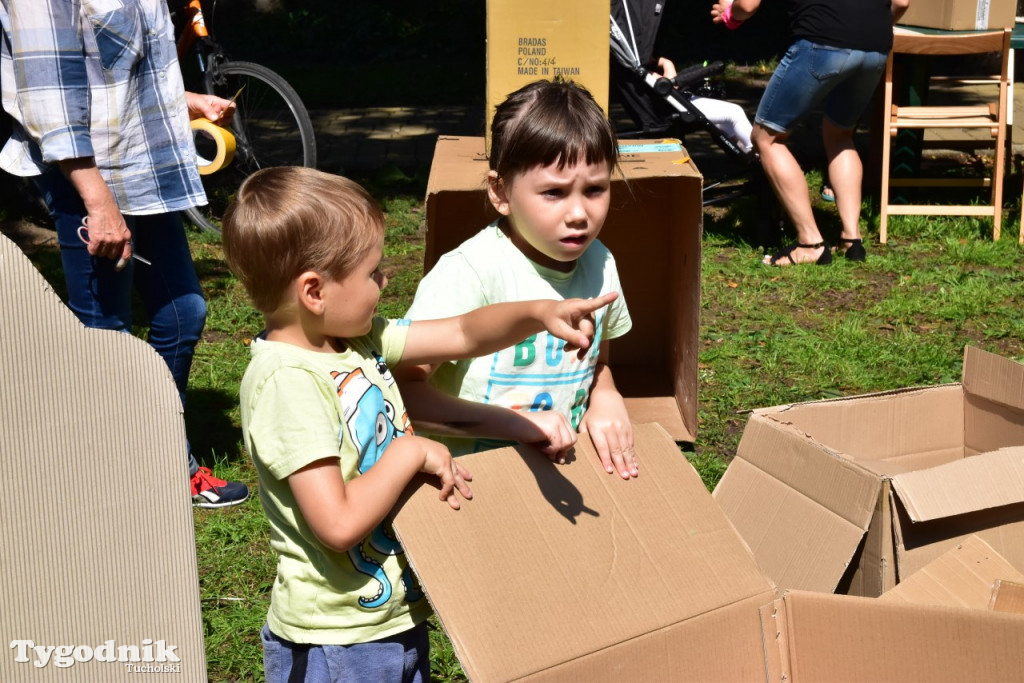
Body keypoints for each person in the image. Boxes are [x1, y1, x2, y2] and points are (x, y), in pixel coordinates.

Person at [220, 166, 617, 682]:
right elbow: (336, 525)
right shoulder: (287, 384)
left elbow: (460, 332)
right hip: (338, 643)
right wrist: (409, 452)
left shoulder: (354, 340)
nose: (386, 281)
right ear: (314, 291)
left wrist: (541, 311)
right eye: (372, 273)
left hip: (387, 619)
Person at [0, 0, 248, 506]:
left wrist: (184, 100)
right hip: (82, 175)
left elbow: (113, 66)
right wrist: (97, 200)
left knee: (184, 312)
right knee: (105, 335)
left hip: (140, 164)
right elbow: (50, 97)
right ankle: (118, 476)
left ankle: (151, 450)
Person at [403, 79, 639, 480]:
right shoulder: (471, 273)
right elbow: (406, 395)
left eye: (595, 189)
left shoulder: (600, 263)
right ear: (501, 192)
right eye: (554, 192)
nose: (579, 213)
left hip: (558, 479)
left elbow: (599, 361)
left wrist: (605, 395)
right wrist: (516, 426)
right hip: (471, 482)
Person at [712, 0, 911, 265]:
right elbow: (901, 2)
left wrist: (729, 13)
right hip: (875, 44)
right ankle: (851, 238)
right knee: (840, 133)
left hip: (823, 41)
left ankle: (810, 242)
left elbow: (747, 6)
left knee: (766, 138)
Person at [611, 0, 753, 151]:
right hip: (666, 106)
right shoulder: (637, 68)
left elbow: (649, 62)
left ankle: (745, 152)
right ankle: (759, 155)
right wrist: (669, 75)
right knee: (734, 113)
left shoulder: (627, 63)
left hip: (669, 101)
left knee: (721, 122)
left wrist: (667, 64)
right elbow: (666, 83)